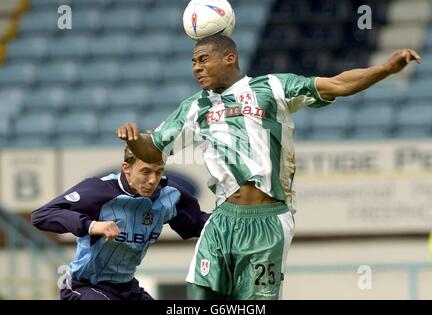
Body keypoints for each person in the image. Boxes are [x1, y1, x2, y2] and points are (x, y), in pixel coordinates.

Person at [117, 34, 422, 300]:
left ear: (229, 57)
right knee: (198, 293)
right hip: (223, 219)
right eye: (193, 62)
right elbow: (154, 149)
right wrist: (134, 141)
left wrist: (385, 69)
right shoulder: (195, 108)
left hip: (270, 221)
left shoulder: (273, 87)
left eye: (203, 60)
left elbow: (337, 85)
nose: (196, 68)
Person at [32, 145, 209, 300]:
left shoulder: (172, 195)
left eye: (159, 171)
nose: (153, 180)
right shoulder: (98, 190)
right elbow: (41, 216)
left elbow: (198, 224)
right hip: (85, 286)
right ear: (127, 168)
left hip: (127, 288)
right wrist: (91, 226)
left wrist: (232, 219)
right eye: (145, 171)